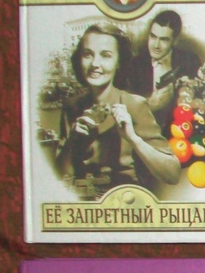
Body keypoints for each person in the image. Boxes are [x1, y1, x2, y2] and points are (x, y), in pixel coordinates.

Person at [56, 24, 180, 195]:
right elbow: (58, 175)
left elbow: (172, 174)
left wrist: (133, 138)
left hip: (126, 203)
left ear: (119, 62)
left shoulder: (134, 105)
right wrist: (72, 142)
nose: (95, 64)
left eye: (105, 55)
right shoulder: (71, 107)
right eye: (87, 54)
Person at [126, 10, 202, 134]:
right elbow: (127, 110)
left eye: (164, 40)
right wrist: (150, 104)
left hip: (180, 133)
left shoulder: (190, 61)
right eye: (153, 36)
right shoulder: (134, 65)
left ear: (175, 41)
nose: (156, 45)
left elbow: (199, 106)